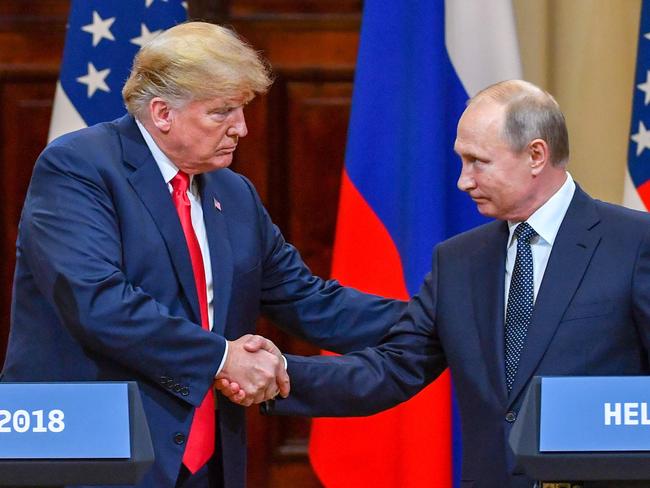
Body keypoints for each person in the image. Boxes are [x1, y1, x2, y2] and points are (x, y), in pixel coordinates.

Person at [0, 22, 404, 488]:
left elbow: (309, 300)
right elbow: (98, 303)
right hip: (91, 450)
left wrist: (437, 320)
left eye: (242, 109)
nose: (243, 128)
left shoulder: (233, 194)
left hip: (203, 458)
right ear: (162, 113)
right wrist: (224, 358)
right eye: (222, 112)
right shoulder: (79, 167)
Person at [261, 80, 650, 488]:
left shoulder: (633, 243)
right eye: (462, 162)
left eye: (478, 161)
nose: (464, 181)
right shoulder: (459, 261)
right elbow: (392, 367)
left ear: (536, 154)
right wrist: (276, 375)